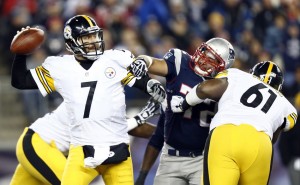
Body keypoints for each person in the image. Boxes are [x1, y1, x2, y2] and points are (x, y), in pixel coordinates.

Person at [10, 15, 166, 185]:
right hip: (40, 142)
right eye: (86, 37)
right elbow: (20, 81)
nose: (92, 41)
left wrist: (166, 133)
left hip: (69, 148)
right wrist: (21, 53)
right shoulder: (62, 68)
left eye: (94, 36)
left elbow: (124, 124)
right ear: (71, 42)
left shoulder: (110, 65)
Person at [171, 61, 298, 185]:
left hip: (226, 133)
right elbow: (273, 137)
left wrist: (183, 104)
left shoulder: (237, 75)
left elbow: (204, 89)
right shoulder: (285, 104)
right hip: (261, 143)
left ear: (252, 73)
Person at [130, 37, 235, 184]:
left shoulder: (226, 84)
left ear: (221, 67)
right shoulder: (181, 61)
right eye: (205, 53)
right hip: (171, 156)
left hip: (203, 159)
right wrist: (143, 61)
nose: (204, 60)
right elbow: (153, 63)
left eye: (213, 60)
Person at [10, 98, 161, 185]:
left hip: (44, 148)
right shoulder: (84, 96)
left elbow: (127, 126)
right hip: (39, 145)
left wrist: (166, 133)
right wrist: (141, 117)